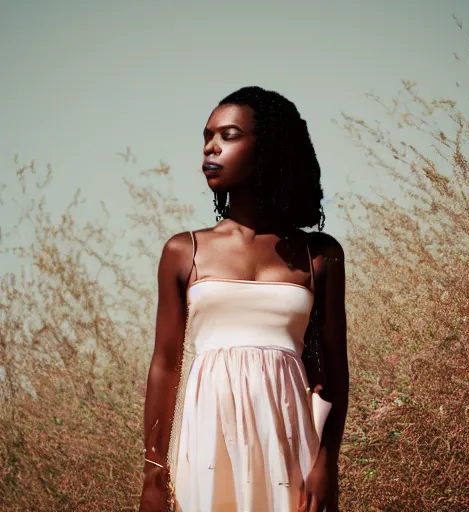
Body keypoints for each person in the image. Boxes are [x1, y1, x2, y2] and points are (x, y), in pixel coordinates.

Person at [139, 86, 348, 512]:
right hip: (206, 441)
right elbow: (165, 366)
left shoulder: (318, 255)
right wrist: (153, 475)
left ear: (268, 148)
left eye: (228, 136)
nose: (209, 149)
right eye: (207, 137)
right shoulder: (184, 251)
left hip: (289, 442)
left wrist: (327, 464)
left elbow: (334, 375)